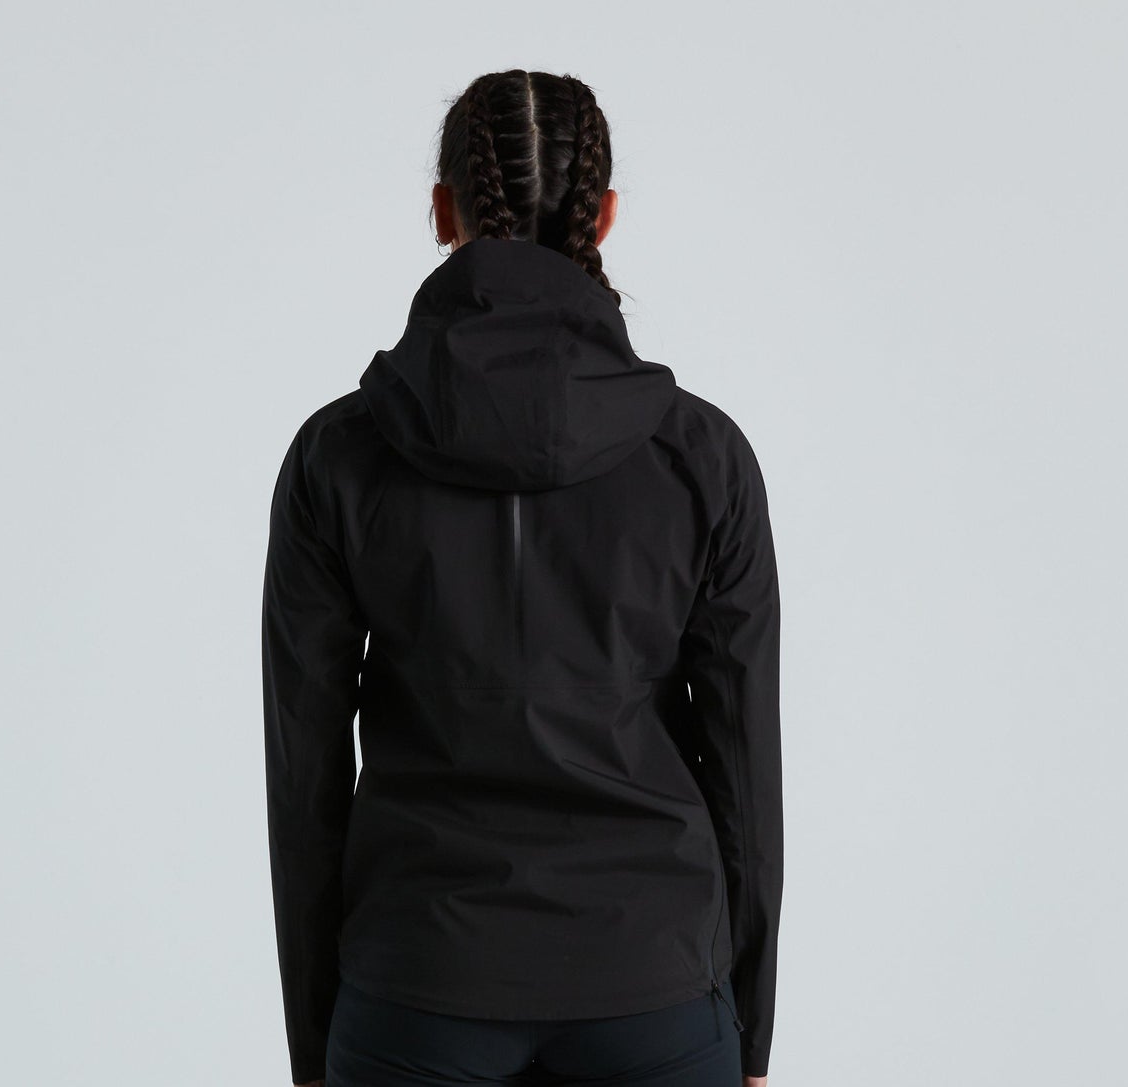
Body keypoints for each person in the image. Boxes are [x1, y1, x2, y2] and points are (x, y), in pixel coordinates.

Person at [262, 68, 784, 1087]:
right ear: (605, 216)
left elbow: (305, 778)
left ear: (443, 210)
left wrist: (315, 1041)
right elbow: (743, 761)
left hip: (417, 988)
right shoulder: (703, 459)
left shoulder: (338, 457)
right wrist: (751, 1030)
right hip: (654, 992)